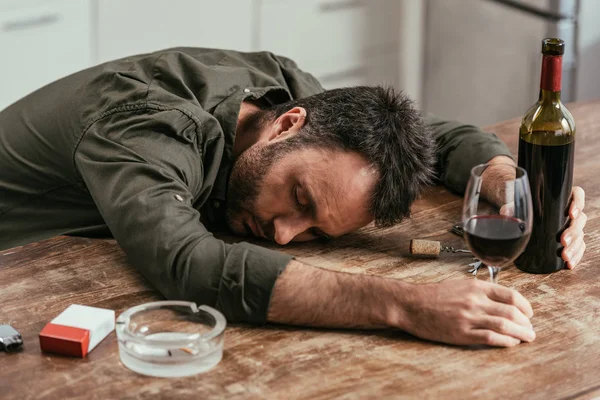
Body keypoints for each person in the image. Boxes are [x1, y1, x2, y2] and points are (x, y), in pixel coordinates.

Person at [0, 48, 587, 347]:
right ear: (288, 126)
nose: (284, 234)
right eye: (300, 198)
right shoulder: (145, 124)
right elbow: (192, 267)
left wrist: (512, 189)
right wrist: (407, 305)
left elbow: (439, 136)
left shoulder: (295, 99)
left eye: (313, 232)